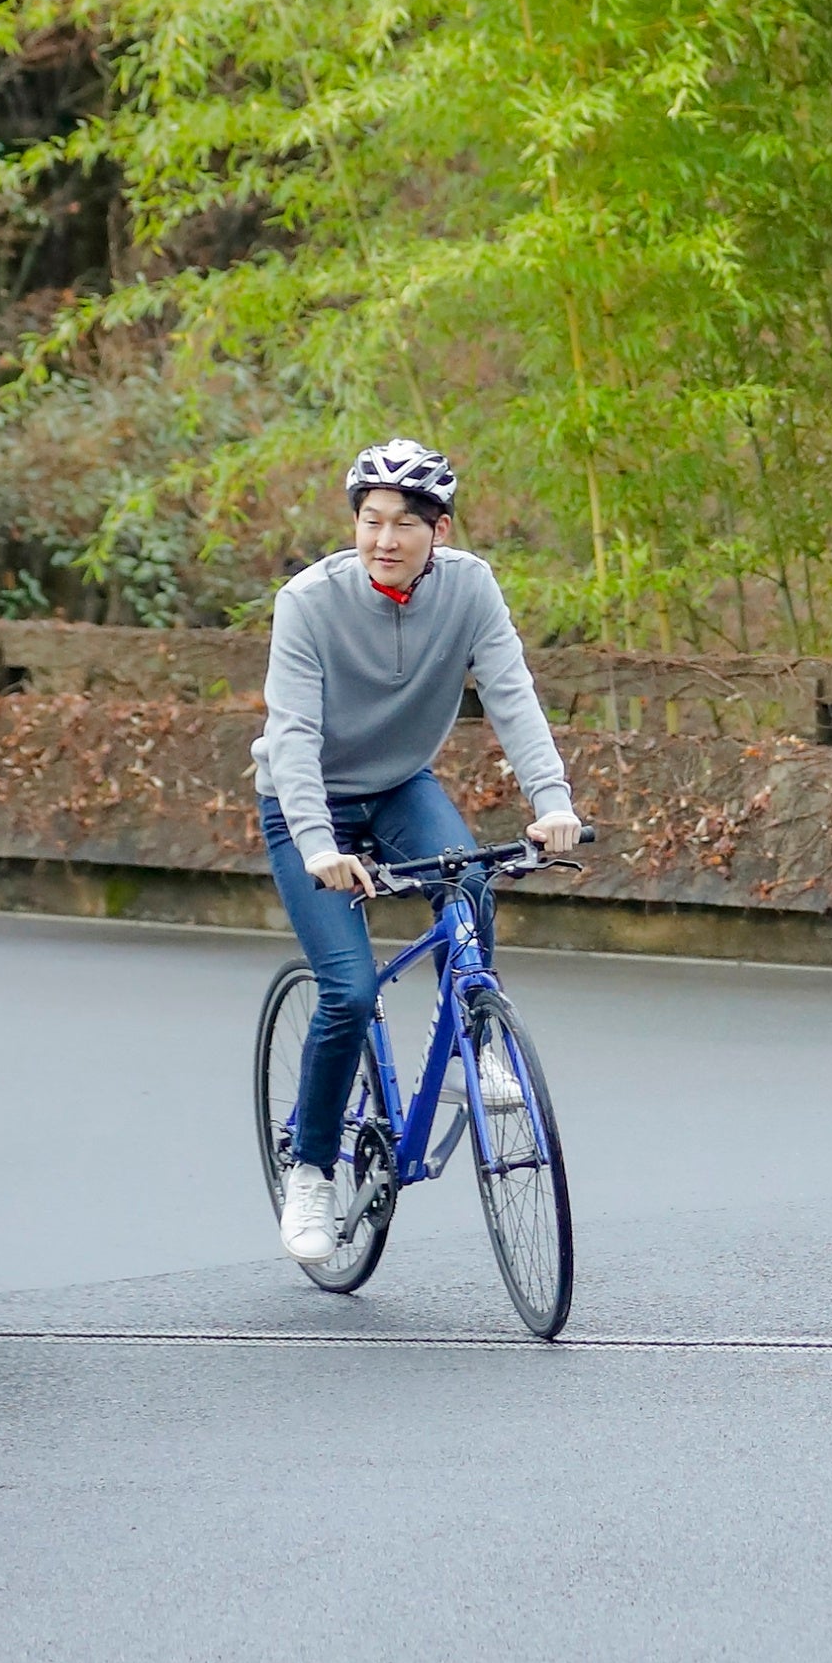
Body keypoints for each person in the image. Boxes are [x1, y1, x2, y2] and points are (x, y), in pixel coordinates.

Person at [258, 439, 585, 1263]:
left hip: (401, 782)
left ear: (438, 530)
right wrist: (318, 844)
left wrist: (552, 801)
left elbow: (512, 694)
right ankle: (311, 1171)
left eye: (406, 523)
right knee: (348, 989)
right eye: (371, 521)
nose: (385, 539)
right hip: (308, 805)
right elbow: (291, 736)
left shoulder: (470, 587)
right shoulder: (307, 601)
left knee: (471, 879)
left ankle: (474, 1045)